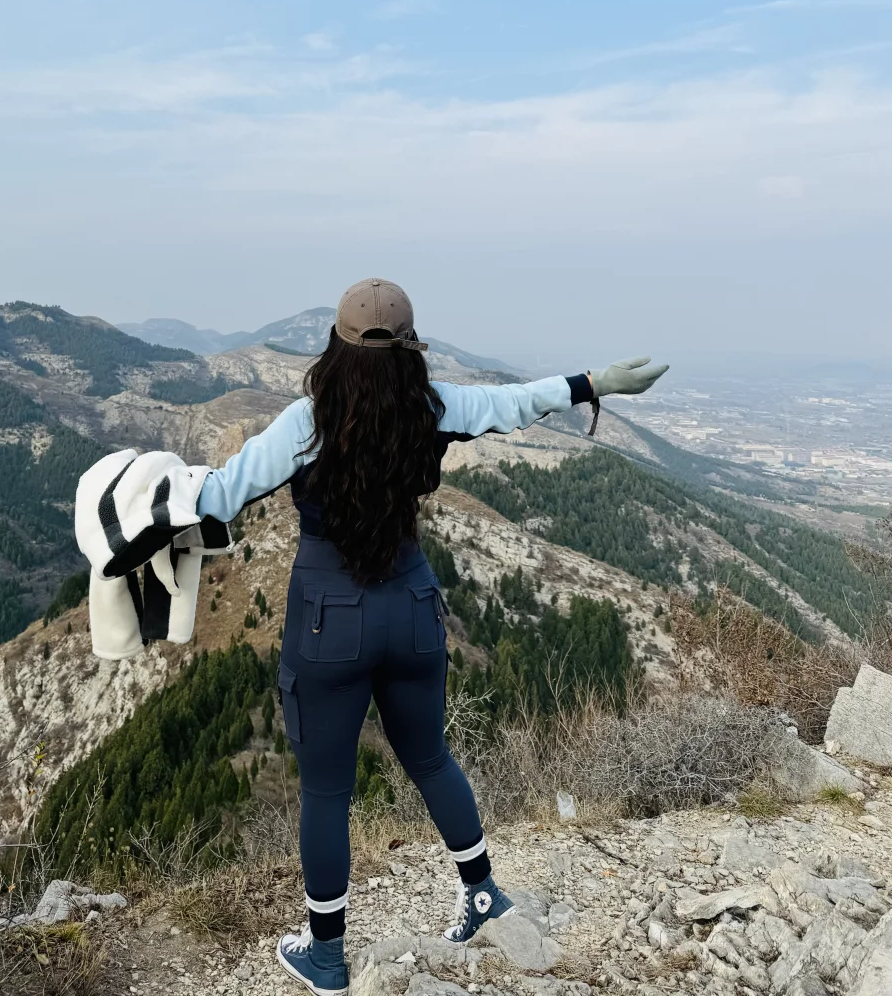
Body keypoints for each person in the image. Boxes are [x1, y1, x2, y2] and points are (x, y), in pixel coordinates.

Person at [194, 278, 668, 995]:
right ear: (412, 344)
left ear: (336, 343)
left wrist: (151, 493)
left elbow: (219, 498)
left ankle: (326, 957)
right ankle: (482, 895)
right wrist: (593, 382)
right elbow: (516, 403)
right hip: (413, 606)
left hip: (330, 618)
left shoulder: (306, 422)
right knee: (431, 758)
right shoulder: (434, 406)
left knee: (326, 792)